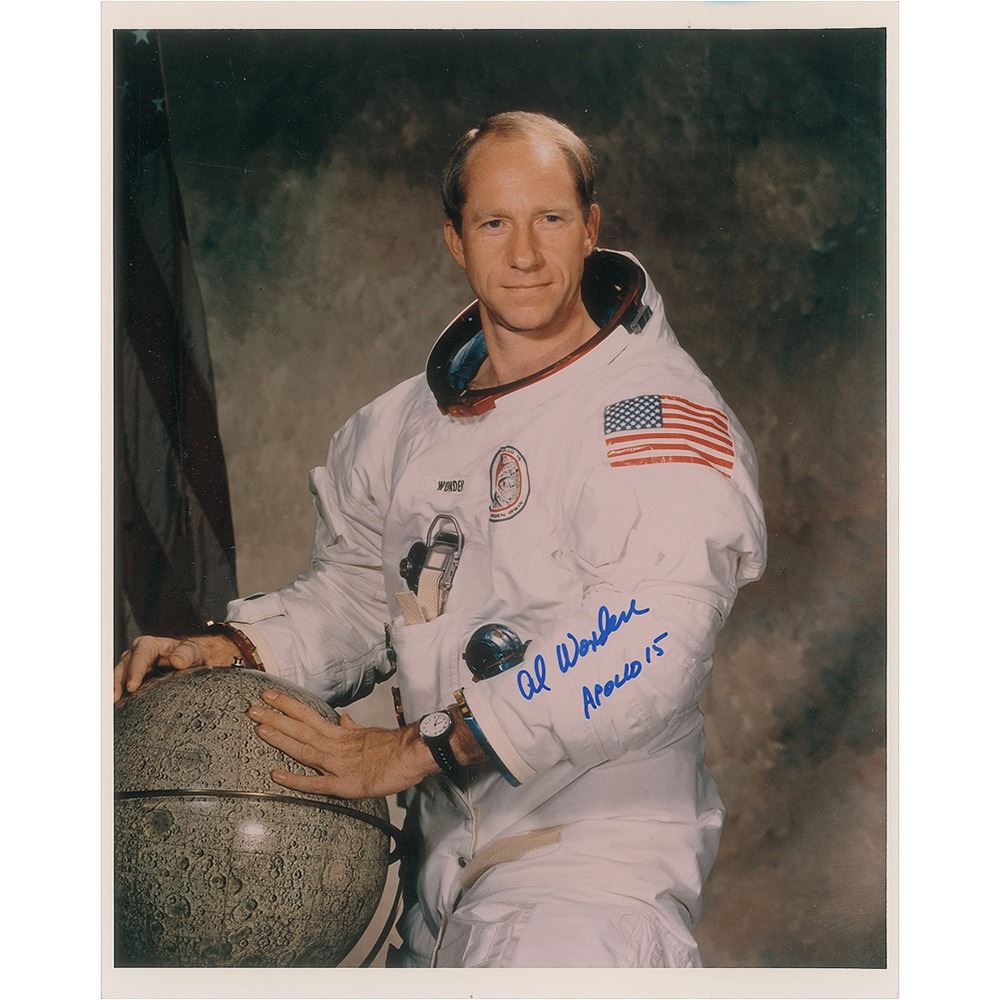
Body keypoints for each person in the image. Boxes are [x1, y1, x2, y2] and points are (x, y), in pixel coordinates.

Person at [114, 111, 766, 968]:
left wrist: (415, 748)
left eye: (550, 219)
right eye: (495, 223)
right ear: (456, 240)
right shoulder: (399, 430)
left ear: (590, 228)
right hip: (441, 883)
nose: (525, 254)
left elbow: (651, 639)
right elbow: (359, 598)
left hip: (590, 883)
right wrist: (236, 649)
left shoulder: (651, 415)